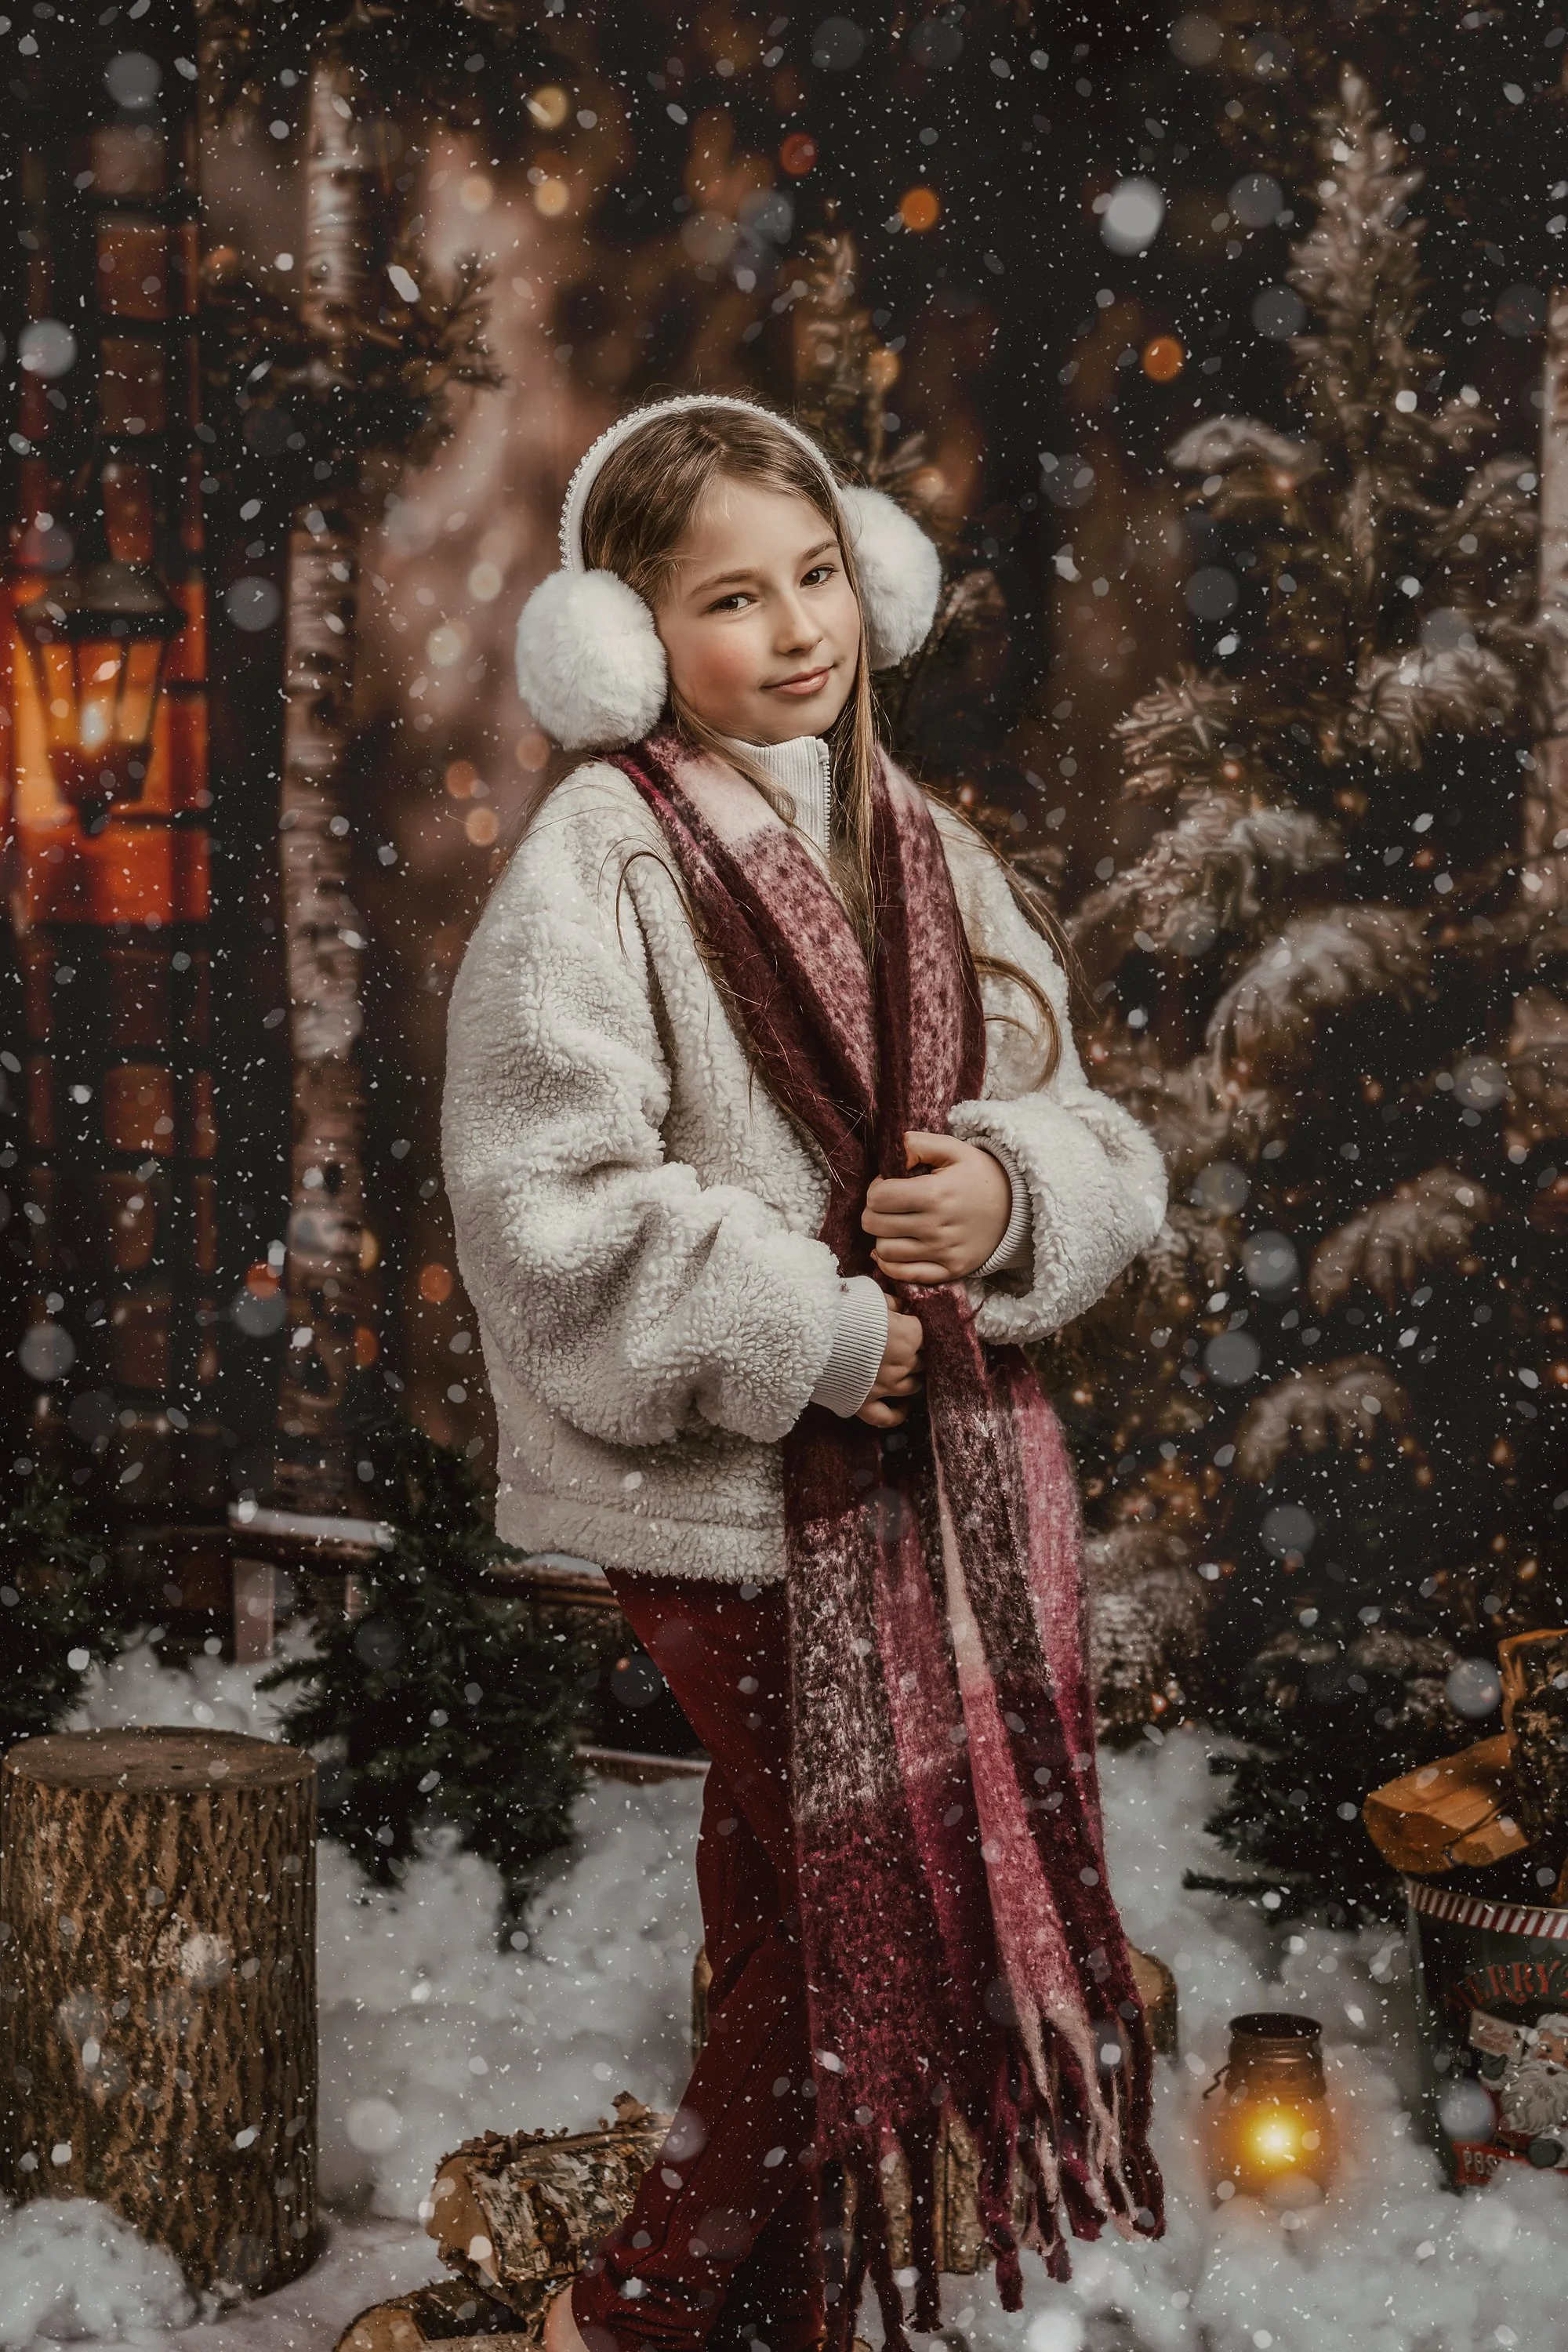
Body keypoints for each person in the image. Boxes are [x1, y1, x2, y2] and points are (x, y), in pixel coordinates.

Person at [441, 394, 1170, 2352]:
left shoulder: (923, 845)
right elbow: (542, 1199)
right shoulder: (602, 859)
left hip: (928, 1493)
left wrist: (1008, 1197)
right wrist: (818, 1328)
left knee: (788, 1909)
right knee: (886, 1916)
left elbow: (1085, 1118)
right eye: (731, 598)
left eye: (819, 575)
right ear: (625, 641)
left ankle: (756, 2314)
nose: (797, 631)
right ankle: (637, 2309)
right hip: (723, 1492)